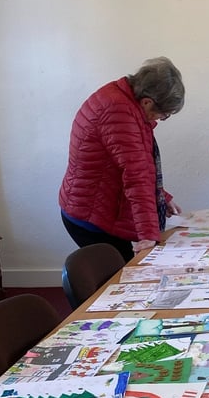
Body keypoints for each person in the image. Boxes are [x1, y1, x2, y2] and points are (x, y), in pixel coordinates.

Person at [59, 56, 185, 261]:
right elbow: (136, 177)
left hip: (93, 207)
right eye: (163, 115)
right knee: (129, 278)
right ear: (147, 102)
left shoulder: (122, 99)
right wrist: (148, 235)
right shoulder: (118, 111)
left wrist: (160, 196)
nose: (160, 120)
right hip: (91, 217)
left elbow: (135, 162)